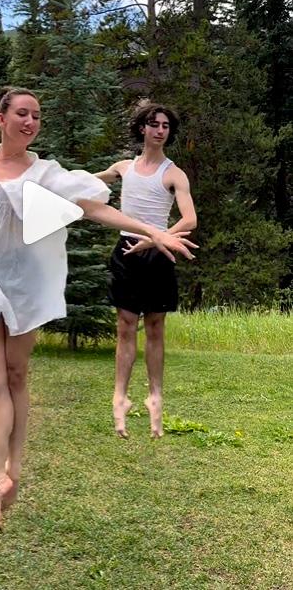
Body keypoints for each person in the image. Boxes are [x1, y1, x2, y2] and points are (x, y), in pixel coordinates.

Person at [0, 87, 197, 529]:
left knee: (15, 375)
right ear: (1, 118)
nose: (31, 122)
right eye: (22, 114)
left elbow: (93, 208)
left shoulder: (45, 173)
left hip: (23, 287)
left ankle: (15, 469)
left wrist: (153, 231)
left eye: (37, 116)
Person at [95, 99, 197, 440]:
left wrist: (155, 240)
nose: (160, 130)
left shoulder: (173, 173)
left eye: (165, 126)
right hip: (126, 251)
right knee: (125, 326)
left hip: (158, 253)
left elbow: (189, 220)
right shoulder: (123, 168)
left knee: (155, 327)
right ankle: (120, 398)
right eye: (154, 124)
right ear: (142, 128)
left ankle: (155, 398)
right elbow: (86, 184)